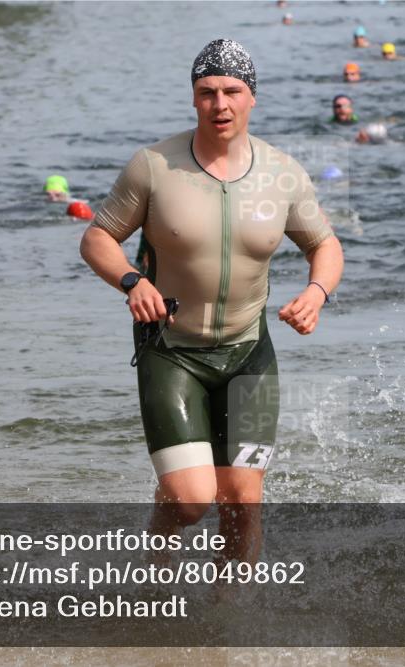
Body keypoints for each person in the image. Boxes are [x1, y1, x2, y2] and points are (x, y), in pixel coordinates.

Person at [80, 39, 344, 558]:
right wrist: (133, 282)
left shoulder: (282, 173)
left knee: (242, 503)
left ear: (251, 98)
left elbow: (325, 245)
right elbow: (97, 238)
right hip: (172, 351)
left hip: (250, 354)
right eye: (207, 92)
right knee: (192, 501)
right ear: (194, 98)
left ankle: (231, 628)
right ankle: (154, 553)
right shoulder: (153, 166)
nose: (219, 104)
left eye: (231, 91)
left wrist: (316, 292)